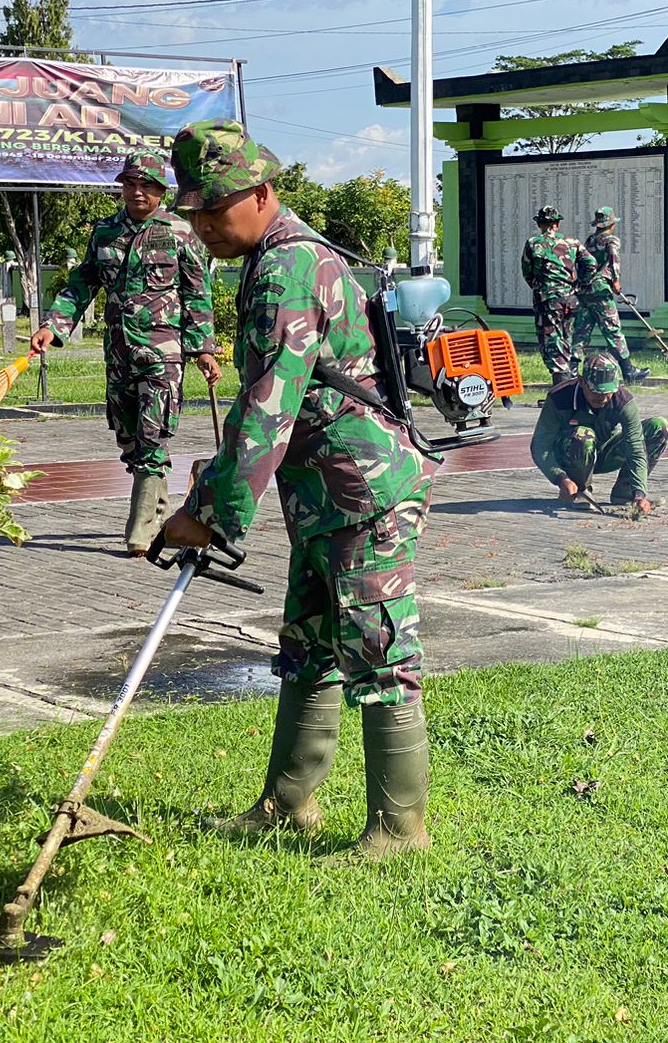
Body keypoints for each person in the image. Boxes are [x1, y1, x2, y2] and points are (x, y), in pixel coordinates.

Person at [159, 120, 436, 858]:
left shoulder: (287, 268)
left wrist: (210, 514)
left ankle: (399, 831)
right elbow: (266, 400)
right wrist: (213, 483)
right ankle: (289, 803)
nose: (204, 225)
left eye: (216, 207)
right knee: (309, 644)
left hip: (363, 490)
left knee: (379, 650)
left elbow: (267, 406)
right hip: (325, 493)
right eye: (194, 211)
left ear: (261, 192)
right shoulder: (276, 259)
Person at [30, 150, 220, 558]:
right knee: (129, 440)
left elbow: (197, 296)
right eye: (130, 184)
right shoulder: (104, 233)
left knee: (154, 436)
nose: (137, 192)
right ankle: (161, 510)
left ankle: (139, 532)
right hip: (118, 353)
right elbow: (81, 285)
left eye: (147, 186)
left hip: (162, 354)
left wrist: (203, 349)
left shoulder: (180, 233)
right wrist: (53, 326)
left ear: (161, 191)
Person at [531, 352, 668, 514]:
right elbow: (540, 447)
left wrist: (639, 493)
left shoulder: (623, 401)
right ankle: (581, 490)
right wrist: (561, 478)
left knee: (659, 427)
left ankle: (625, 491)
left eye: (607, 392)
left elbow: (636, 448)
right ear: (582, 382)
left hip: (606, 452)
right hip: (571, 454)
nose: (602, 398)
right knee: (583, 434)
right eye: (596, 392)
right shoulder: (559, 398)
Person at [575, 205, 650, 383]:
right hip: (601, 291)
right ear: (611, 224)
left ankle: (569, 372)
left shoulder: (590, 241)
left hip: (584, 291)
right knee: (613, 330)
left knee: (580, 332)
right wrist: (616, 281)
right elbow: (614, 260)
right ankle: (628, 371)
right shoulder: (611, 240)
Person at [520, 205, 580, 384]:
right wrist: (575, 286)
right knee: (567, 338)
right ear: (557, 224)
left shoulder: (533, 243)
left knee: (551, 341)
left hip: (547, 301)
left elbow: (527, 272)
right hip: (570, 300)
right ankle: (570, 384)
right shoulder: (572, 242)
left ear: (539, 224)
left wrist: (541, 288)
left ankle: (561, 388)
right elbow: (590, 264)